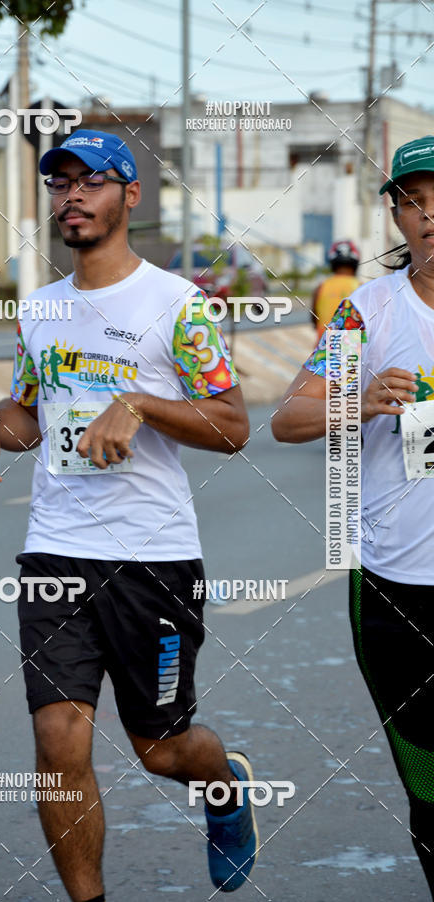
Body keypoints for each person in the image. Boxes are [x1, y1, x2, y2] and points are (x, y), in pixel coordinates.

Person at [0, 129, 258, 899]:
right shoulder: (42, 309)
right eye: (60, 184)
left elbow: (232, 427)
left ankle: (224, 786)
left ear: (130, 195)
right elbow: (28, 417)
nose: (72, 195)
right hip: (55, 550)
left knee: (159, 746)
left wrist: (141, 405)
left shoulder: (176, 305)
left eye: (91, 181)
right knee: (57, 742)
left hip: (153, 559)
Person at [271, 135, 434, 898]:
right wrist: (360, 399)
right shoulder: (369, 313)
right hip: (396, 588)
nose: (430, 217)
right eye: (414, 202)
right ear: (397, 215)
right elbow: (289, 418)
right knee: (431, 792)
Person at [311, 239, 361, 340]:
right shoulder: (361, 287)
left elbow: (314, 320)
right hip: (352, 350)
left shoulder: (321, 287)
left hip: (323, 350)